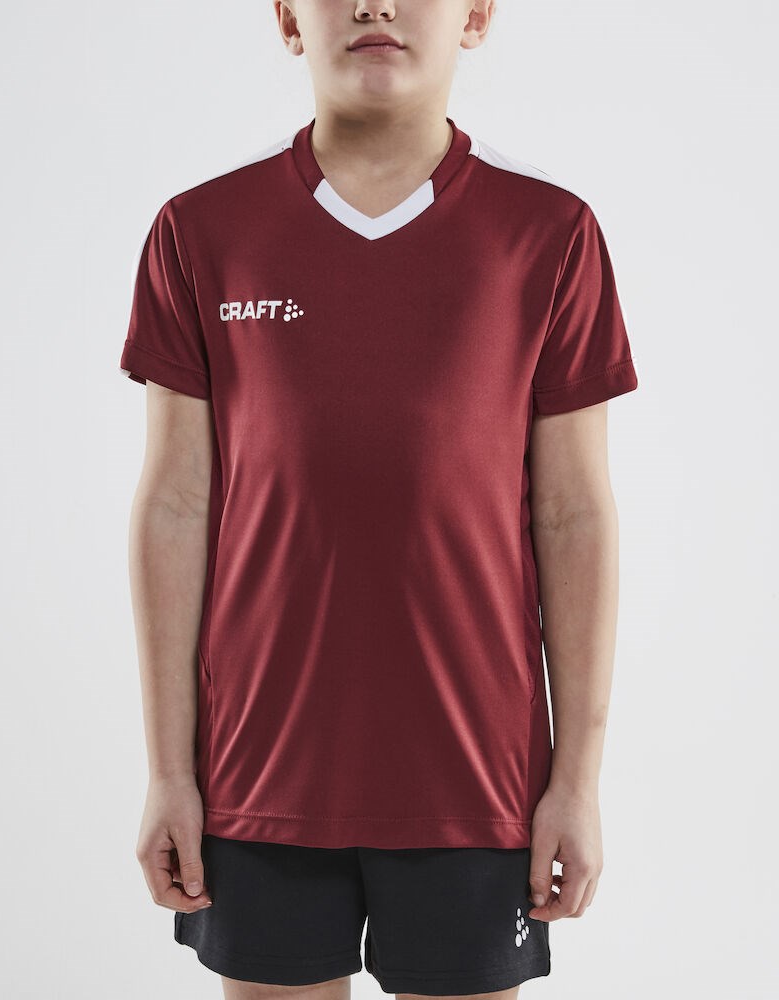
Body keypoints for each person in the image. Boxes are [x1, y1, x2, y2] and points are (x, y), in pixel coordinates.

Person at [119, 2, 639, 998]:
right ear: (287, 19)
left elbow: (574, 514)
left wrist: (575, 781)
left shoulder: (548, 233)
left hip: (476, 780)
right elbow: (175, 504)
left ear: (475, 16)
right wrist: (170, 771)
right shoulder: (202, 230)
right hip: (257, 776)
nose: (373, 4)